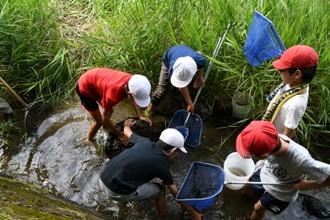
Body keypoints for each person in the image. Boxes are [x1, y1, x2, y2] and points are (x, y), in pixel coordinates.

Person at [99, 118, 202, 219]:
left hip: (103, 177)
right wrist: (194, 214)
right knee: (160, 190)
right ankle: (160, 216)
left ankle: (123, 207)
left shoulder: (144, 141)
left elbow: (127, 132)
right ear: (173, 150)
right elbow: (176, 195)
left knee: (130, 174)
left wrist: (126, 124)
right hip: (115, 191)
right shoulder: (162, 164)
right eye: (178, 152)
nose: (177, 155)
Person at [236, 120, 330, 220]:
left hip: (282, 190)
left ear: (265, 155)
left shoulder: (301, 160)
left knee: (258, 208)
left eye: (250, 155)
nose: (246, 156)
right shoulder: (271, 138)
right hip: (266, 173)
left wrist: (307, 185)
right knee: (248, 189)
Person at [76, 68, 152, 144]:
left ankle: (105, 127)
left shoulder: (133, 82)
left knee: (110, 110)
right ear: (129, 93)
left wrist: (139, 116)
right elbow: (105, 118)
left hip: (96, 80)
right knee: (99, 122)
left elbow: (131, 97)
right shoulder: (112, 96)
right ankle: (88, 140)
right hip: (85, 86)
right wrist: (119, 134)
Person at [262, 45, 318, 138]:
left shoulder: (295, 105)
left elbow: (287, 136)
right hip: (270, 126)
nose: (280, 73)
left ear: (297, 74)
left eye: (282, 71)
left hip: (274, 137)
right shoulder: (299, 84)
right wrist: (284, 61)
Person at [144, 45, 207, 116]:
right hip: (170, 56)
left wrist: (199, 76)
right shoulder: (172, 69)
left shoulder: (201, 60)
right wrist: (189, 103)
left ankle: (188, 112)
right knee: (161, 91)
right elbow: (181, 86)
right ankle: (149, 109)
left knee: (190, 91)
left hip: (185, 54)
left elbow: (200, 63)